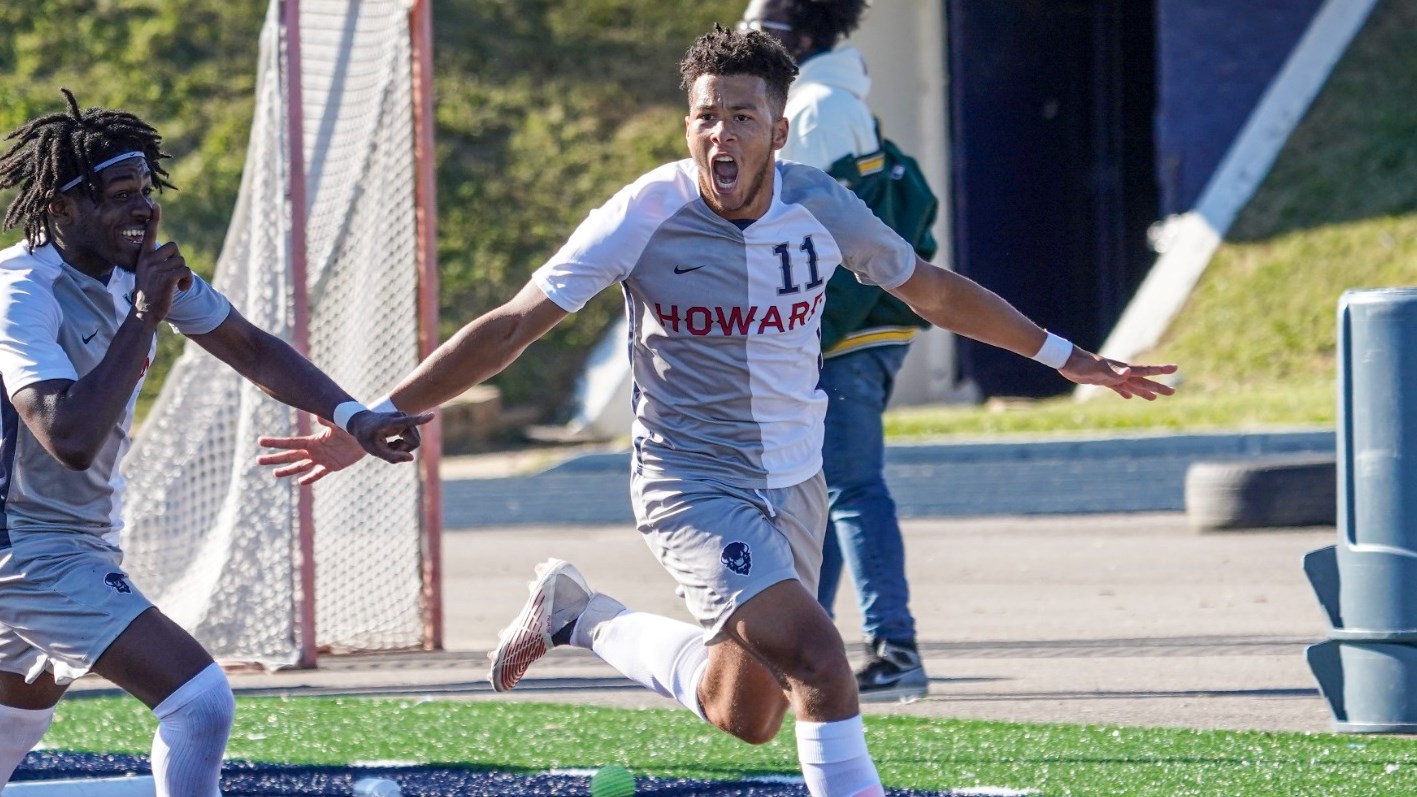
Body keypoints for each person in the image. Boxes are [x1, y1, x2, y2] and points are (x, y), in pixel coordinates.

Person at [258, 27, 1175, 797]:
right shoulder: (643, 212)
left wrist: (1068, 357)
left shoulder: (822, 207)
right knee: (820, 656)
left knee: (751, 712)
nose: (720, 136)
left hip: (794, 482)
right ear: (688, 127)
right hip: (688, 481)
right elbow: (512, 327)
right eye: (706, 118)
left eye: (741, 117)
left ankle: (578, 615)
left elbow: (932, 291)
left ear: (779, 130)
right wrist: (369, 412)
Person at [0, 90, 431, 796]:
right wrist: (145, 314)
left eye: (146, 191)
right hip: (29, 549)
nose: (143, 209)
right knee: (198, 702)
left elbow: (249, 347)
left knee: (9, 736)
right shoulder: (20, 290)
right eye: (120, 195)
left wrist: (350, 415)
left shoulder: (135, 273)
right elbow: (67, 436)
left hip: (70, 541)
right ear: (61, 207)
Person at [741, 0, 935, 701]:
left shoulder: (818, 107)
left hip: (844, 332)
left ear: (805, 35)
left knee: (851, 489)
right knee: (815, 493)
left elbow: (811, 239)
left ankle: (894, 647)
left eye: (760, 29)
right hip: (848, 327)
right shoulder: (826, 98)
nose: (745, 37)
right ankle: (803, 645)